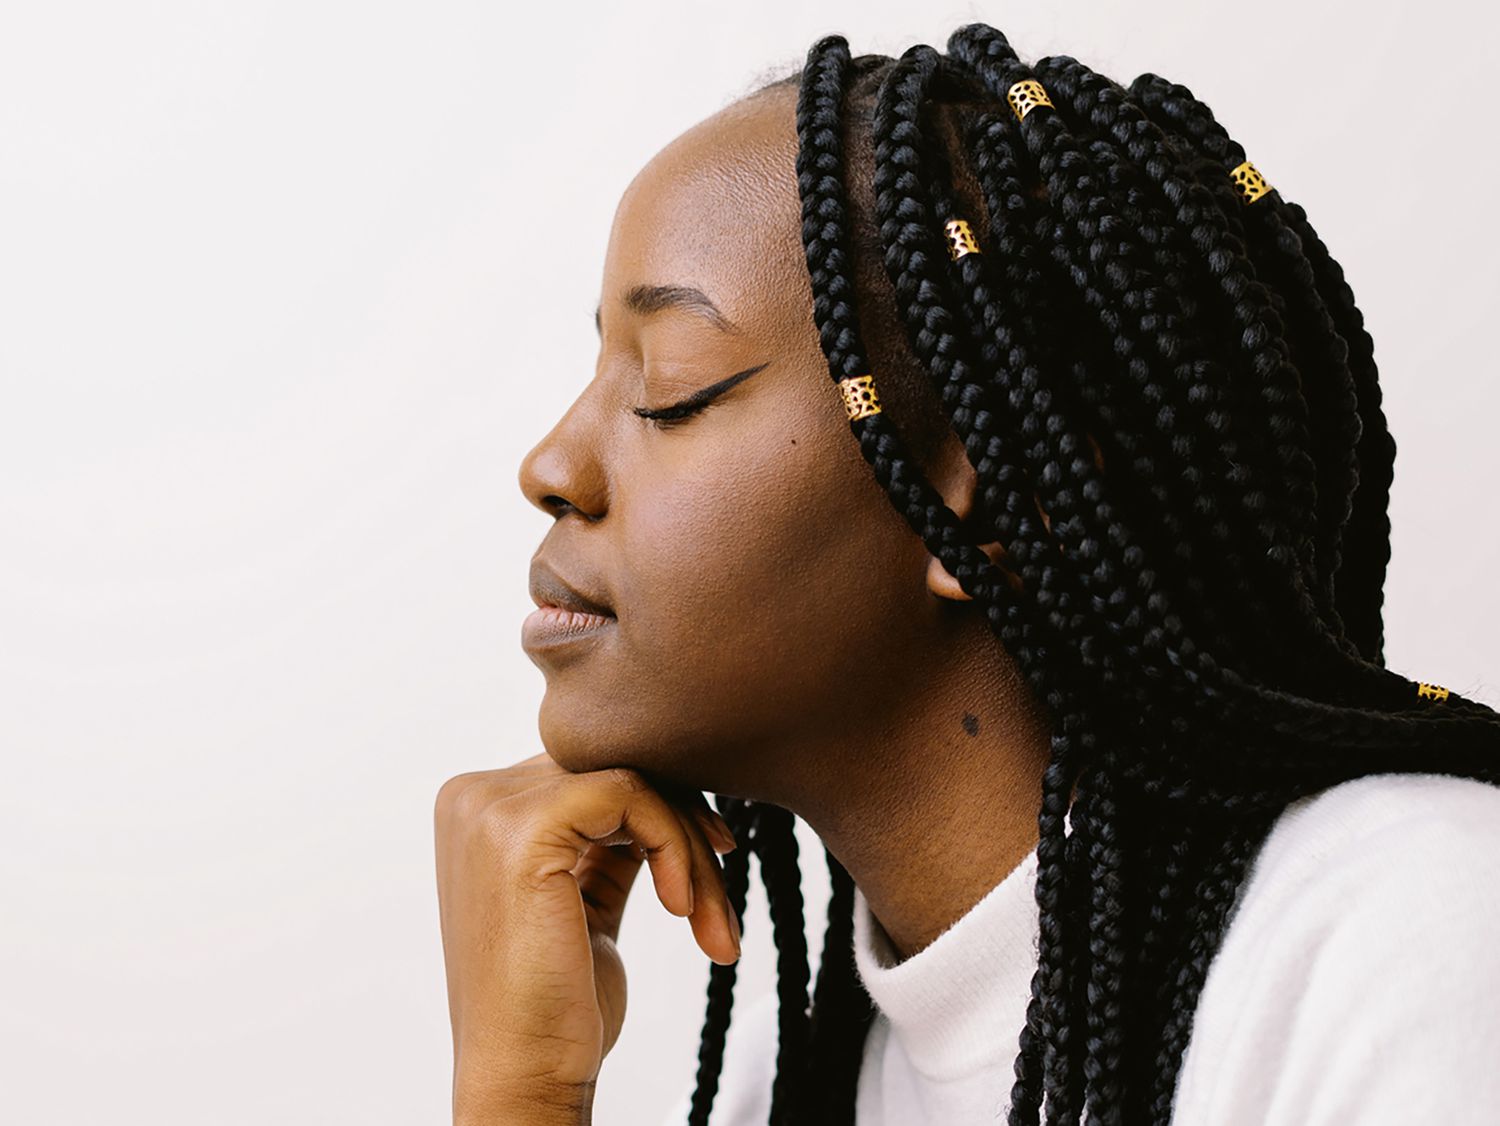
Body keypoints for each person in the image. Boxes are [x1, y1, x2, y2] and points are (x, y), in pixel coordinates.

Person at [433, 23, 1500, 1126]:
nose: (550, 464)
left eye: (669, 387)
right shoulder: (808, 1066)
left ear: (988, 495)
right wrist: (520, 1094)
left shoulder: (1413, 939)